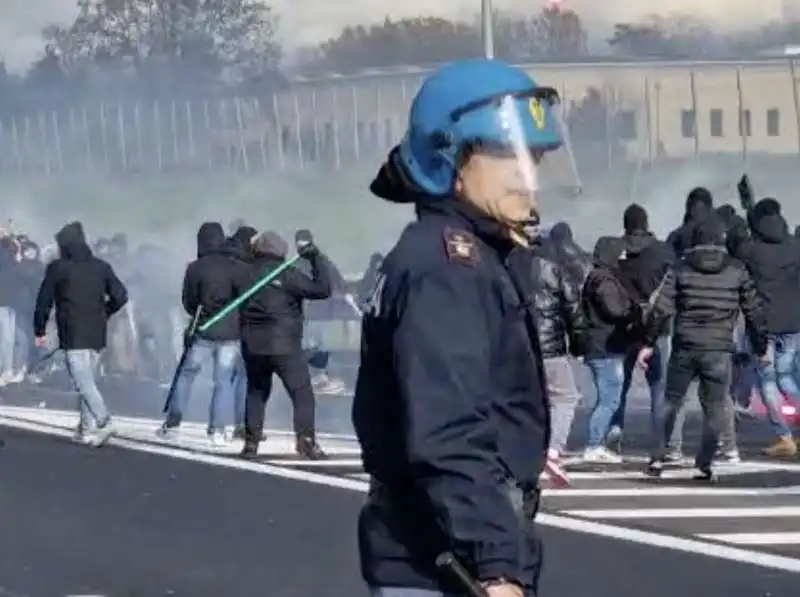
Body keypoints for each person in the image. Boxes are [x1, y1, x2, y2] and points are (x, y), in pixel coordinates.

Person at [352, 58, 579, 597]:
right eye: (506, 155)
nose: (527, 177)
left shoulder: (470, 256)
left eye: (535, 158)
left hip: (446, 547)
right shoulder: (448, 269)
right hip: (442, 560)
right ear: (448, 158)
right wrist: (498, 564)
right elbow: (449, 429)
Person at [647, 216, 767, 479]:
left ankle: (658, 458)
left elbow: (661, 309)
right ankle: (705, 463)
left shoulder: (680, 268)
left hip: (685, 345)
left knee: (672, 402)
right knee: (714, 407)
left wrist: (648, 341)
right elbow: (754, 311)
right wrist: (760, 345)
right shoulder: (737, 270)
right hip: (719, 349)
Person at [239, 230, 333, 460]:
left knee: (256, 391)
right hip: (286, 344)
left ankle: (251, 442)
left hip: (253, 343)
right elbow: (322, 290)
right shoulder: (288, 274)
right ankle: (306, 440)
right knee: (301, 393)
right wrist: (316, 258)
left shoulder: (244, 274)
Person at [33, 221, 128, 447]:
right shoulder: (101, 267)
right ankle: (86, 428)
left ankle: (104, 421)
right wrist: (105, 312)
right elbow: (121, 295)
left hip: (72, 332)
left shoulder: (58, 268)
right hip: (97, 331)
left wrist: (39, 329)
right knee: (89, 382)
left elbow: (44, 301)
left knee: (82, 382)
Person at [159, 222, 246, 446]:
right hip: (230, 332)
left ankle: (173, 424)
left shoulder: (195, 268)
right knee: (223, 380)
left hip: (203, 330)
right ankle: (217, 429)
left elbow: (188, 301)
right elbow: (243, 298)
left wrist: (201, 311)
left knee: (187, 375)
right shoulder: (235, 266)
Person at [739, 198, 800, 457]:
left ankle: (784, 436)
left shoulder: (751, 250)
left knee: (767, 380)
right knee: (787, 377)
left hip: (763, 326)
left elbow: (735, 249)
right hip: (793, 323)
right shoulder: (796, 247)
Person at [666, 187, 714, 258]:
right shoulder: (677, 236)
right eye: (696, 208)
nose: (699, 213)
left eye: (703, 209)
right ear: (690, 210)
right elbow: (666, 258)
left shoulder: (716, 233)